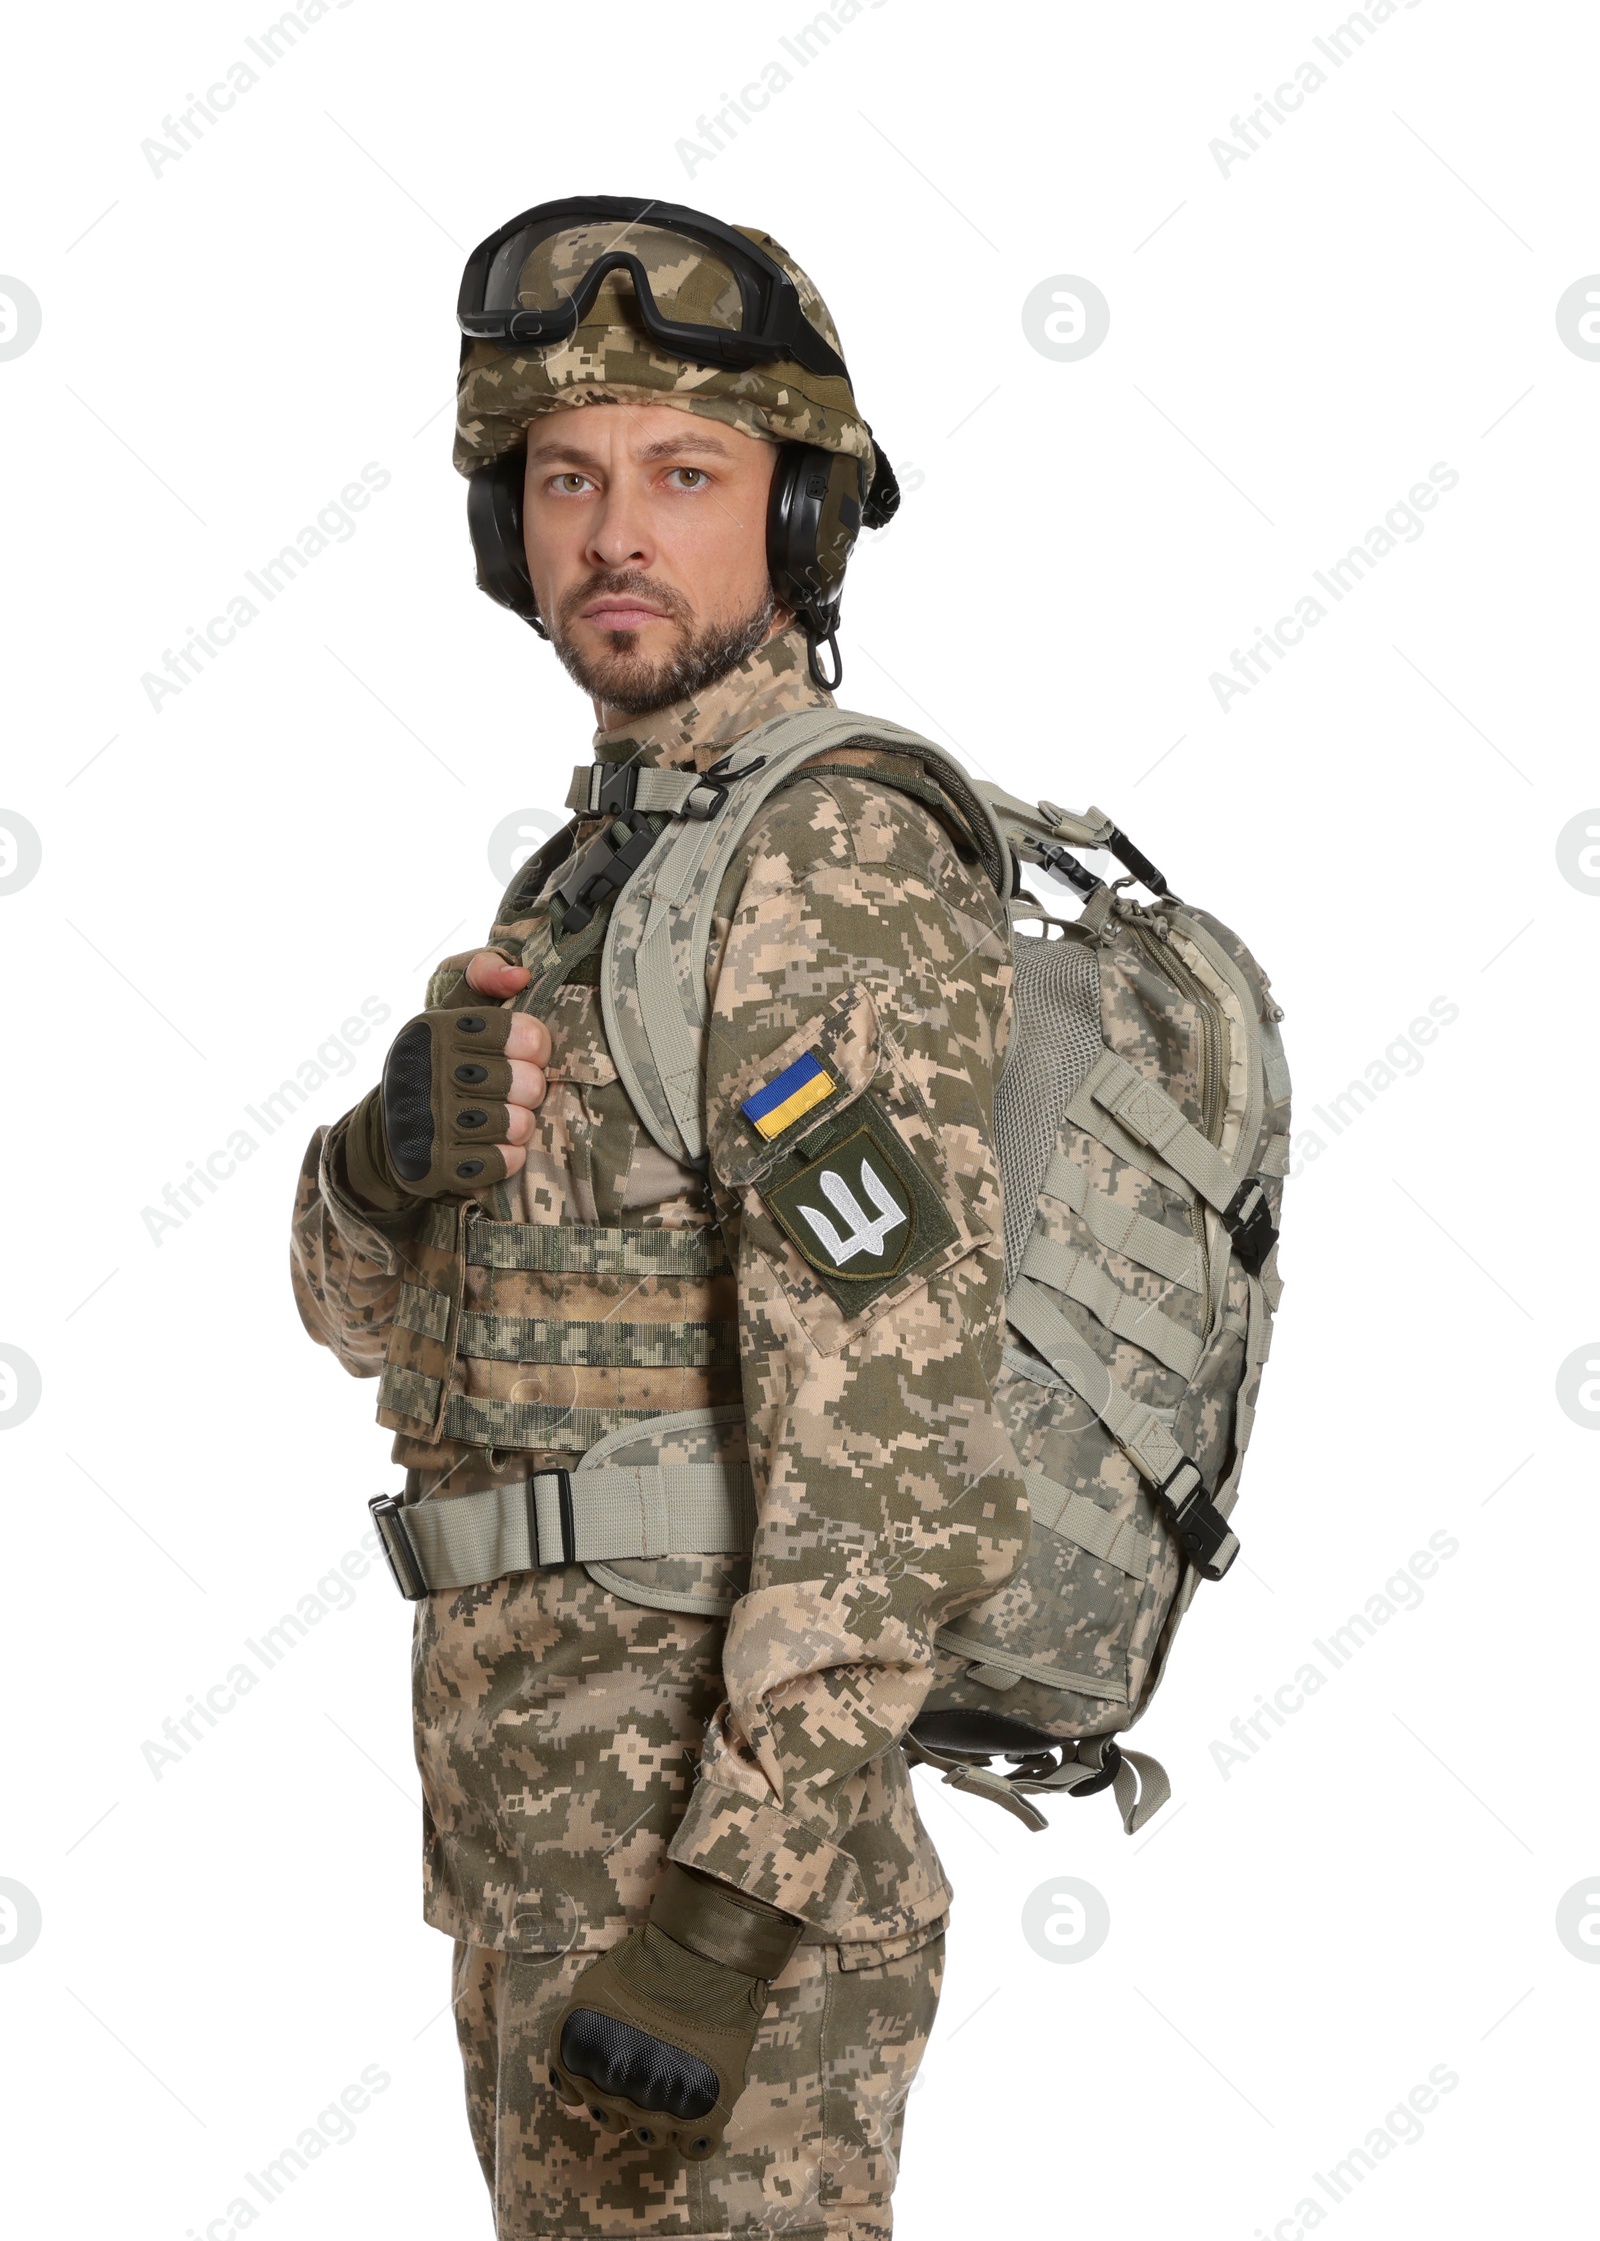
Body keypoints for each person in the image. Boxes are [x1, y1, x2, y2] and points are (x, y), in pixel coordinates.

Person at [290, 197, 1029, 2241]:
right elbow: (363, 1318)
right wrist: (387, 1154)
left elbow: (892, 1459)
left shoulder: (826, 864)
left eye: (683, 477)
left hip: (711, 1884)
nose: (612, 529)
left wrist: (720, 1916)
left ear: (795, 524)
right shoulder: (590, 875)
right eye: (562, 479)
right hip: (540, 1832)